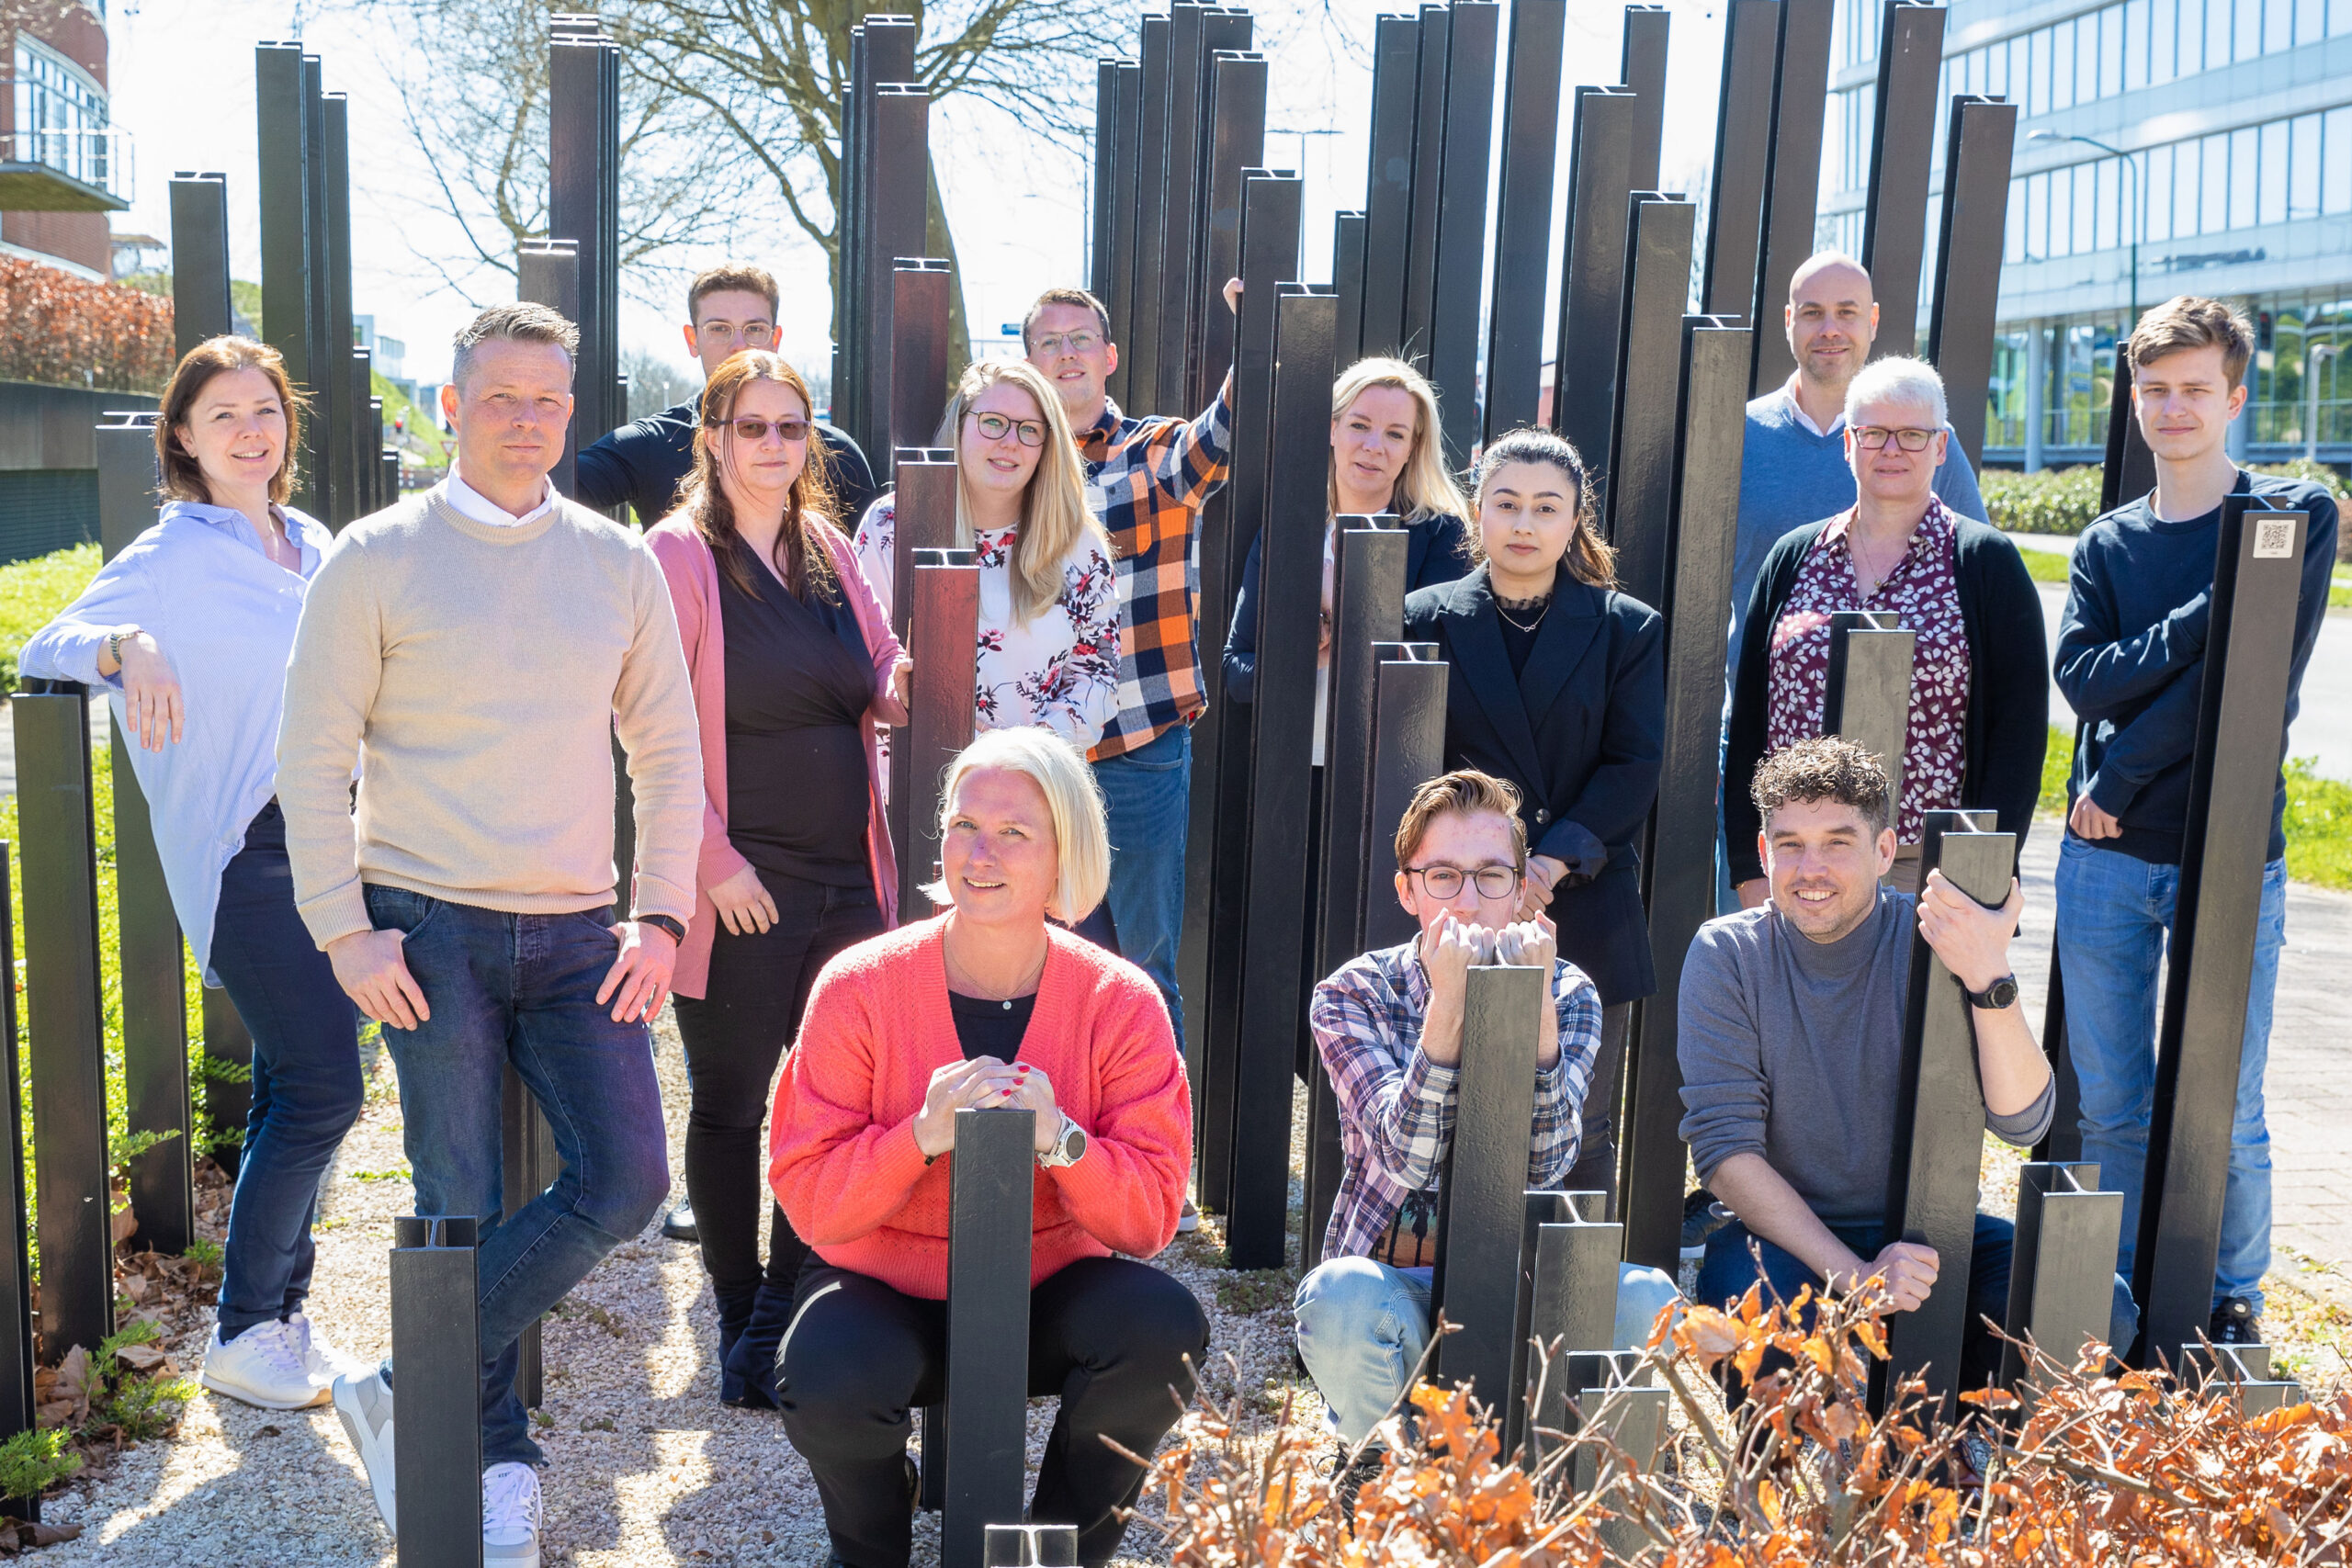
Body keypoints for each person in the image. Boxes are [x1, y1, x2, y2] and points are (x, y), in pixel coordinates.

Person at [281, 302, 701, 1564]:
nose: (528, 420)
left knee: (627, 1181)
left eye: (550, 398)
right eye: (502, 397)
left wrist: (665, 910)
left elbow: (669, 752)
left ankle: (405, 1380)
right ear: (453, 407)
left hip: (580, 932)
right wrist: (344, 932)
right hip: (426, 925)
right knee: (455, 1199)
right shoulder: (374, 557)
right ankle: (490, 1454)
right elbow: (309, 759)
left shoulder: (615, 561)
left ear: (574, 410)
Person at [18, 337, 368, 1412]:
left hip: (337, 837)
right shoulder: (169, 555)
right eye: (223, 414)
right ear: (182, 436)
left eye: (265, 410)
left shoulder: (314, 540)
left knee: (287, 1088)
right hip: (245, 848)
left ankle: (276, 1317)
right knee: (324, 1090)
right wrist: (129, 641)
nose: (249, 430)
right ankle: (247, 1326)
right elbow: (47, 642)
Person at [769, 727, 1206, 1568]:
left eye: (1014, 833)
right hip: (884, 1286)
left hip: (1048, 1288)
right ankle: (871, 1545)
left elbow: (1152, 1215)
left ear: (1062, 856)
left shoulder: (1123, 1003)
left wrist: (1063, 1141)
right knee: (825, 1373)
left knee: (1163, 1330)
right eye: (965, 825)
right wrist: (918, 1137)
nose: (982, 852)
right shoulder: (859, 985)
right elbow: (810, 1194)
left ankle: (1056, 1549)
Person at [2052, 296, 2338, 1347]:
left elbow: (2239, 688)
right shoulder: (2107, 543)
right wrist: (2209, 608)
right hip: (2102, 866)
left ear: (2235, 395)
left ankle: (2231, 1296)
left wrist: (2119, 777)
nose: (2173, 408)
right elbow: (2081, 680)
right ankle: (2125, 1292)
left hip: (2224, 853)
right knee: (2117, 1105)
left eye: (2194, 390)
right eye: (2154, 389)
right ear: (2134, 397)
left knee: (2228, 1102)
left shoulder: (2290, 515)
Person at [1679, 738, 2136, 1390]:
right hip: (1788, 1234)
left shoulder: (1936, 936)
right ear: (1763, 853)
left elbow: (2024, 1119)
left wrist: (1988, 973)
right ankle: (1786, 1476)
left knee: (2096, 1301)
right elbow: (1726, 1156)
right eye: (1790, 844)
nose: (1811, 868)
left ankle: (1962, 1437)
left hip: (1933, 1229)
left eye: (1838, 842)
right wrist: (1856, 1275)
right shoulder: (1725, 954)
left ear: (1886, 851)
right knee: (1747, 1318)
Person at [643, 351, 910, 1412]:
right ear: (711, 437)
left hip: (850, 874)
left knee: (830, 1098)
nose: (771, 447)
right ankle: (735, 1303)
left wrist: (908, 675)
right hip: (741, 882)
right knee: (732, 1104)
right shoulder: (675, 554)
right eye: (749, 427)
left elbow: (882, 671)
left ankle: (786, 1308)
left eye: (790, 428)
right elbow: (649, 725)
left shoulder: (831, 548)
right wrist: (713, 865)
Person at [1291, 769, 1681, 1465]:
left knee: (1649, 1297)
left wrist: (1534, 1016)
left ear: (1523, 888)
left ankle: (1571, 1478)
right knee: (1336, 1298)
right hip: (1394, 1282)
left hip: (1527, 1278)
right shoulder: (1352, 993)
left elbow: (1548, 1161)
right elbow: (1403, 1156)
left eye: (1492, 876)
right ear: (1407, 888)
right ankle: (1383, 1467)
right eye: (1443, 876)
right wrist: (1448, 1009)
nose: (1469, 901)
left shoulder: (1571, 992)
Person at [1401, 428, 1662, 1205]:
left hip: (1582, 893)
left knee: (1578, 1119)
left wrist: (1545, 864)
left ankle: (1567, 1297)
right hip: (1455, 897)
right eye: (1506, 503)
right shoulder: (1426, 617)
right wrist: (1485, 871)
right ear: (1477, 512)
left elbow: (1635, 765)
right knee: (1446, 1104)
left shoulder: (1627, 627)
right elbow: (1415, 763)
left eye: (1546, 507)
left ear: (1576, 517)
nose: (1524, 524)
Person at [1725, 357, 2046, 903]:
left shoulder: (1985, 563)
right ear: (1849, 444)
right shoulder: (1793, 558)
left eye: (1912, 435)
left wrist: (1982, 872)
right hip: (1799, 860)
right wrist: (1748, 867)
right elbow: (1751, 717)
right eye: (1873, 433)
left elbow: (2019, 734)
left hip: (1928, 869)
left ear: (1941, 448)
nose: (1891, 449)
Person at [1022, 281, 1237, 1067]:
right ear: (1029, 360)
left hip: (1135, 742)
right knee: (1041, 961)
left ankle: (1157, 1167)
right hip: (1034, 752)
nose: (1068, 353)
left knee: (1143, 963)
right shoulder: (1014, 456)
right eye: (1050, 341)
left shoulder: (1152, 450)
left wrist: (1253, 337)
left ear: (1109, 357)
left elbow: (1215, 441)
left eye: (1081, 339)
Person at [1728, 252, 1987, 662]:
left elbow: (1980, 580)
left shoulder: (1926, 444)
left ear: (1873, 320)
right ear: (1788, 320)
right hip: (1766, 713)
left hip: (1907, 714)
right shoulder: (1735, 437)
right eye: (1813, 313)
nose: (1830, 329)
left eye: (1846, 312)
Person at [853, 357, 1122, 752]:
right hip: (906, 782)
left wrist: (1020, 753)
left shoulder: (1076, 543)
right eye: (993, 422)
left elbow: (1096, 674)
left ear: (1048, 447)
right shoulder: (891, 524)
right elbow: (860, 654)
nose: (1010, 442)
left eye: (1030, 430)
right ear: (960, 425)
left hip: (1028, 787)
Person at [1224, 355, 1476, 713]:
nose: (1374, 446)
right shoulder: (1285, 535)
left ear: (1412, 448)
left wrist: (1343, 610)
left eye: (1395, 434)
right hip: (1290, 764)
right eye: (1359, 426)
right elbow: (1236, 672)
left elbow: (1440, 672)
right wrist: (1305, 654)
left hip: (1392, 762)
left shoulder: (1441, 537)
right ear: (1332, 429)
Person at [576, 263, 879, 527]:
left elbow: (873, 571)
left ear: (775, 339)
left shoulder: (837, 454)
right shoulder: (650, 444)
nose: (739, 345)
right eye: (719, 329)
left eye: (755, 329)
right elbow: (547, 493)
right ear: (692, 339)